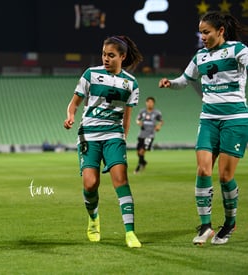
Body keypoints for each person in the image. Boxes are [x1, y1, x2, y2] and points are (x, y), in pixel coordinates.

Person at [159, 11, 248, 245]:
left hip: (235, 120)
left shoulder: (238, 50)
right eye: (200, 32)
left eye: (206, 32)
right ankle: (206, 226)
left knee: (225, 176)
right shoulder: (200, 56)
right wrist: (170, 84)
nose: (203, 37)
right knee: (202, 170)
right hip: (208, 119)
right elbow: (184, 81)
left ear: (221, 31)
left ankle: (230, 222)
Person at [64, 35, 143, 248]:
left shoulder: (131, 83)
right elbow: (74, 104)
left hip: (113, 135)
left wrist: (122, 140)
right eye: (103, 54)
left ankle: (130, 233)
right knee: (90, 184)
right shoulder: (91, 74)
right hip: (88, 134)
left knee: (121, 180)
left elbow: (127, 118)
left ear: (122, 56)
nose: (106, 59)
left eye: (111, 55)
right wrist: (71, 116)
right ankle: (93, 219)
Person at [134, 96, 163, 173]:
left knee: (142, 151)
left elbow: (161, 121)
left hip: (150, 135)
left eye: (151, 102)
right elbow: (137, 119)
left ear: (153, 103)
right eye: (148, 102)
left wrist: (158, 126)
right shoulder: (142, 112)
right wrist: (138, 122)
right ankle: (143, 162)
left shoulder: (157, 113)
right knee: (138, 152)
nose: (149, 104)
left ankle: (138, 167)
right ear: (146, 103)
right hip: (141, 134)